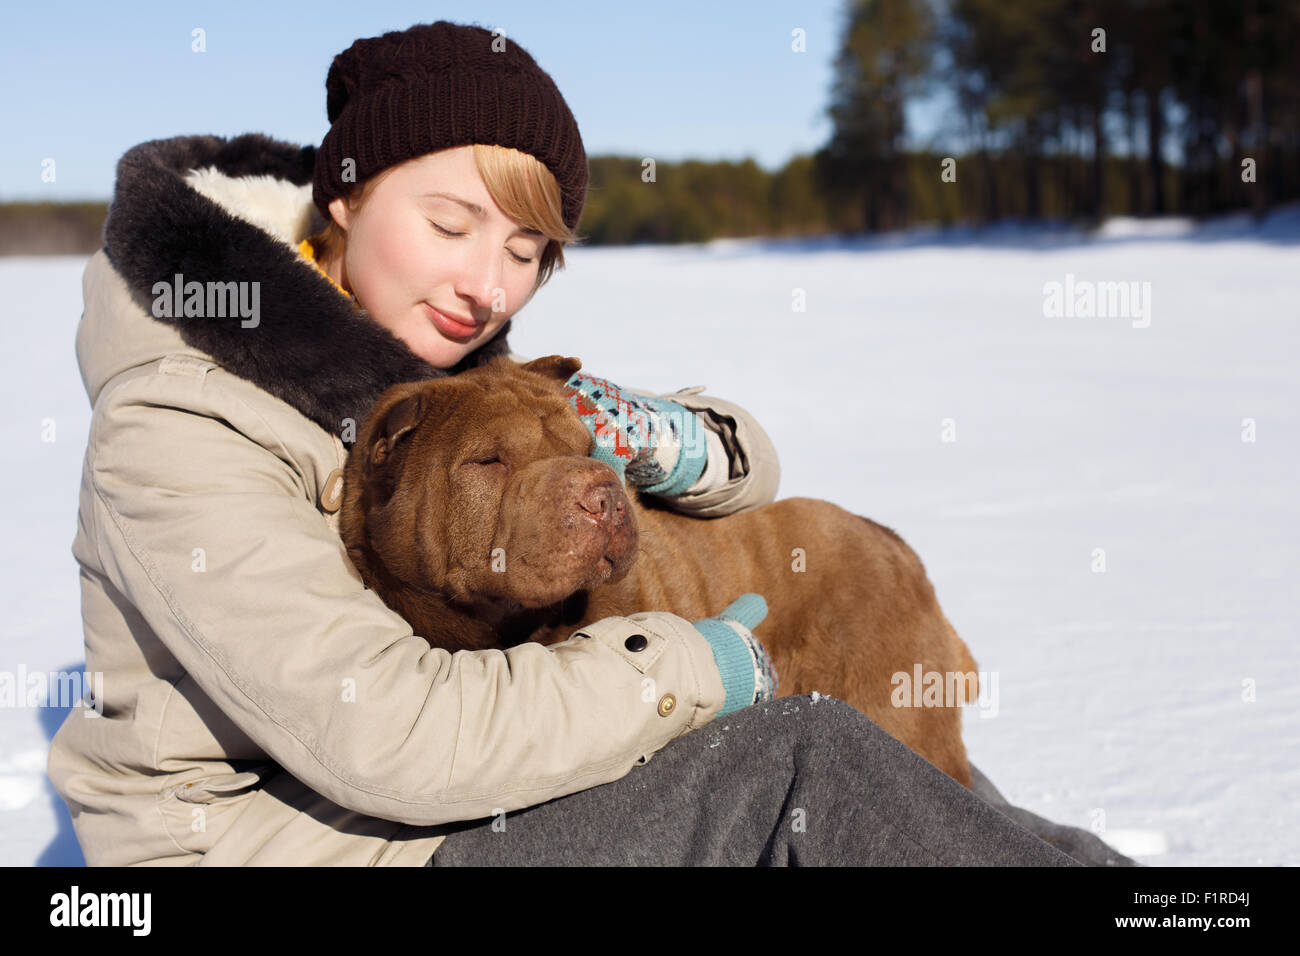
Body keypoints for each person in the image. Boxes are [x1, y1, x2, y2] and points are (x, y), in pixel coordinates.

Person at [49, 20, 1134, 867]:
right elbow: (379, 733)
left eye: (527, 250)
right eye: (449, 224)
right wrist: (684, 672)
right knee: (796, 762)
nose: (488, 284)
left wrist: (649, 437)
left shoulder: (442, 359)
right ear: (344, 193)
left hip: (435, 800)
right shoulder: (183, 416)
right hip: (298, 842)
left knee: (928, 794)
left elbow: (744, 458)